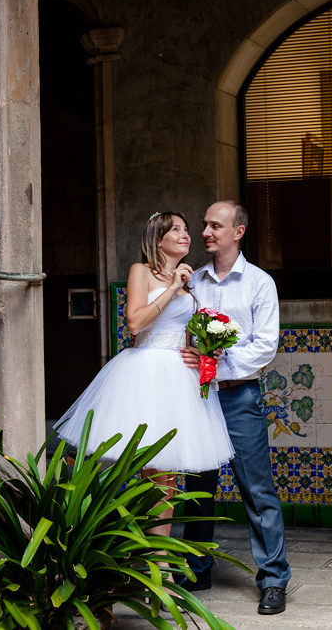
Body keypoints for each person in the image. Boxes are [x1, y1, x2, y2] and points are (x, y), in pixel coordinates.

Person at [56, 211, 235, 543]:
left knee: (167, 477)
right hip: (145, 372)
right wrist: (172, 288)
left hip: (178, 377)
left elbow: (185, 332)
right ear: (158, 239)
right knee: (144, 468)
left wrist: (205, 349)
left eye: (186, 229)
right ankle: (125, 550)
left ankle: (161, 562)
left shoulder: (189, 279)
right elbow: (135, 324)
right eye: (176, 229)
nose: (186, 235)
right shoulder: (142, 271)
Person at [178, 200, 291, 615]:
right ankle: (196, 570)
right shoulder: (193, 281)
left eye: (214, 226)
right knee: (197, 489)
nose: (205, 232)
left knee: (257, 490)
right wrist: (192, 356)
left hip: (240, 397)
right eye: (204, 225)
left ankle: (274, 579)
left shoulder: (259, 283)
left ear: (237, 231)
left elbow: (265, 346)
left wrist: (216, 361)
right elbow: (182, 334)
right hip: (199, 398)